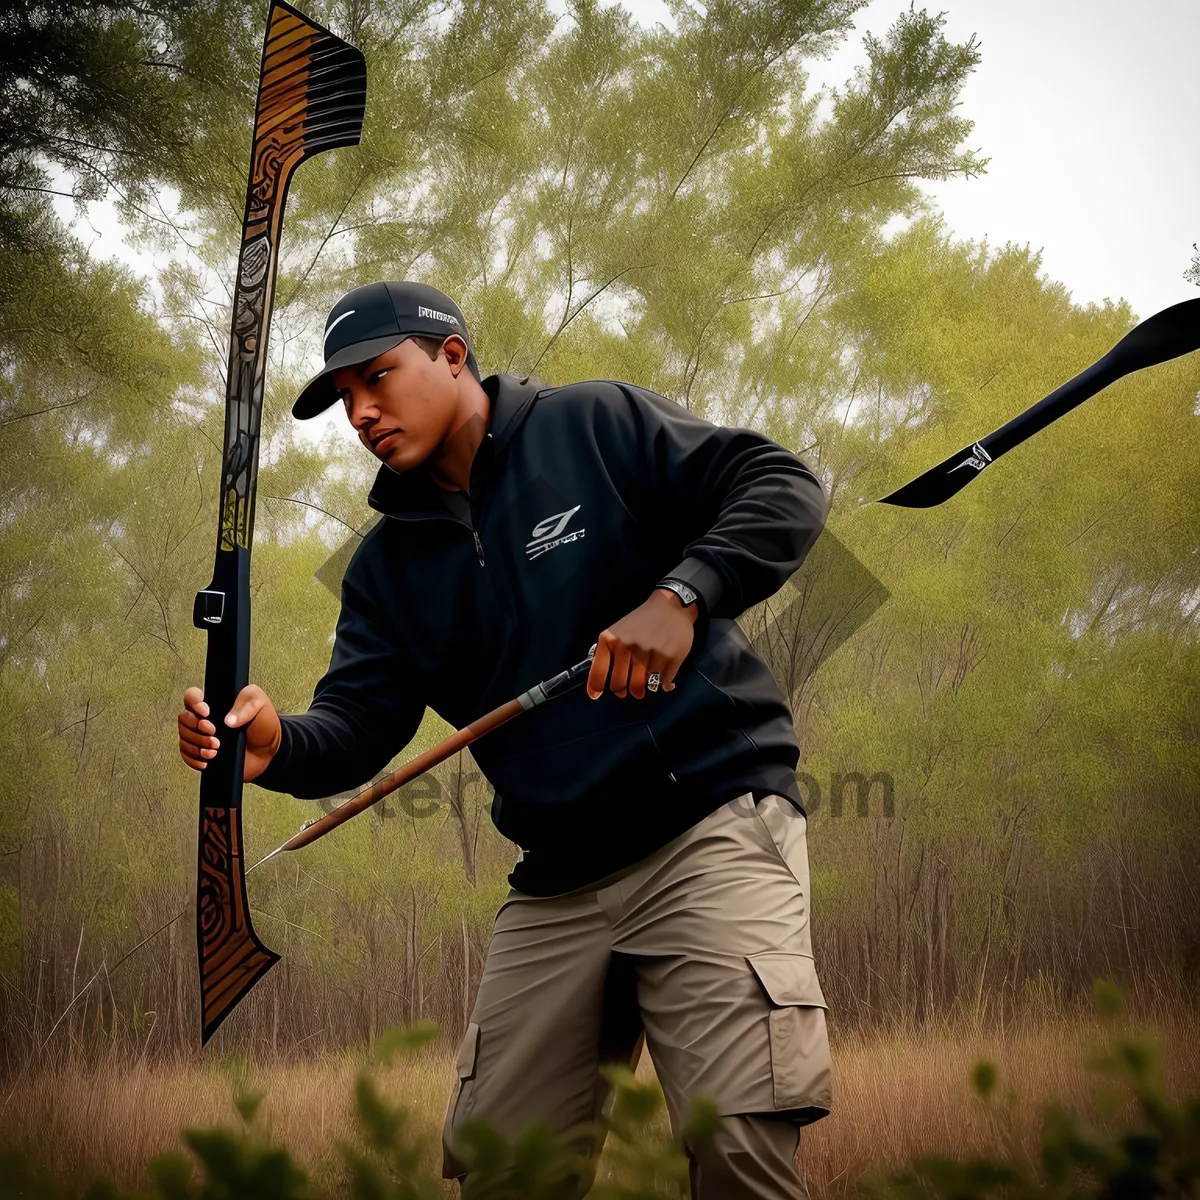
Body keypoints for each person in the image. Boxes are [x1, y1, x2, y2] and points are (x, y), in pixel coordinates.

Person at [178, 280, 832, 1198]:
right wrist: (277, 745)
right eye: (344, 400)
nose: (362, 412)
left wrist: (681, 595)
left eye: (378, 378)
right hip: (557, 880)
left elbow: (782, 484)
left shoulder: (591, 425)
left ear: (452, 357)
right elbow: (358, 725)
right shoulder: (384, 569)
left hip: (710, 830)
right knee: (500, 1173)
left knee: (739, 1152)